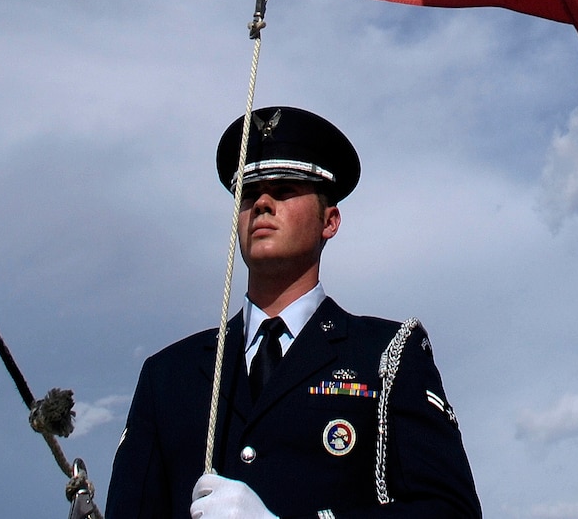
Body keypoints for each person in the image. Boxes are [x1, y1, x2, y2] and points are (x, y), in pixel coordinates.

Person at [107, 108, 481, 519]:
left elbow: (451, 512)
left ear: (330, 220)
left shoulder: (386, 356)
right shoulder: (169, 377)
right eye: (249, 195)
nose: (262, 203)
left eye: (284, 190)